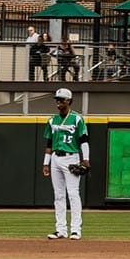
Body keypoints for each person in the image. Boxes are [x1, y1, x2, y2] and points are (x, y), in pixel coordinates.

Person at [42, 87, 90, 240]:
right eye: (56, 99)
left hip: (71, 157)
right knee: (59, 195)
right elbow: (49, 143)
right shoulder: (52, 120)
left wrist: (86, 159)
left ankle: (76, 230)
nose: (57, 102)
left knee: (73, 194)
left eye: (61, 99)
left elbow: (84, 140)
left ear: (68, 101)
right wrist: (46, 163)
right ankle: (60, 229)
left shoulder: (77, 118)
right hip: (56, 158)